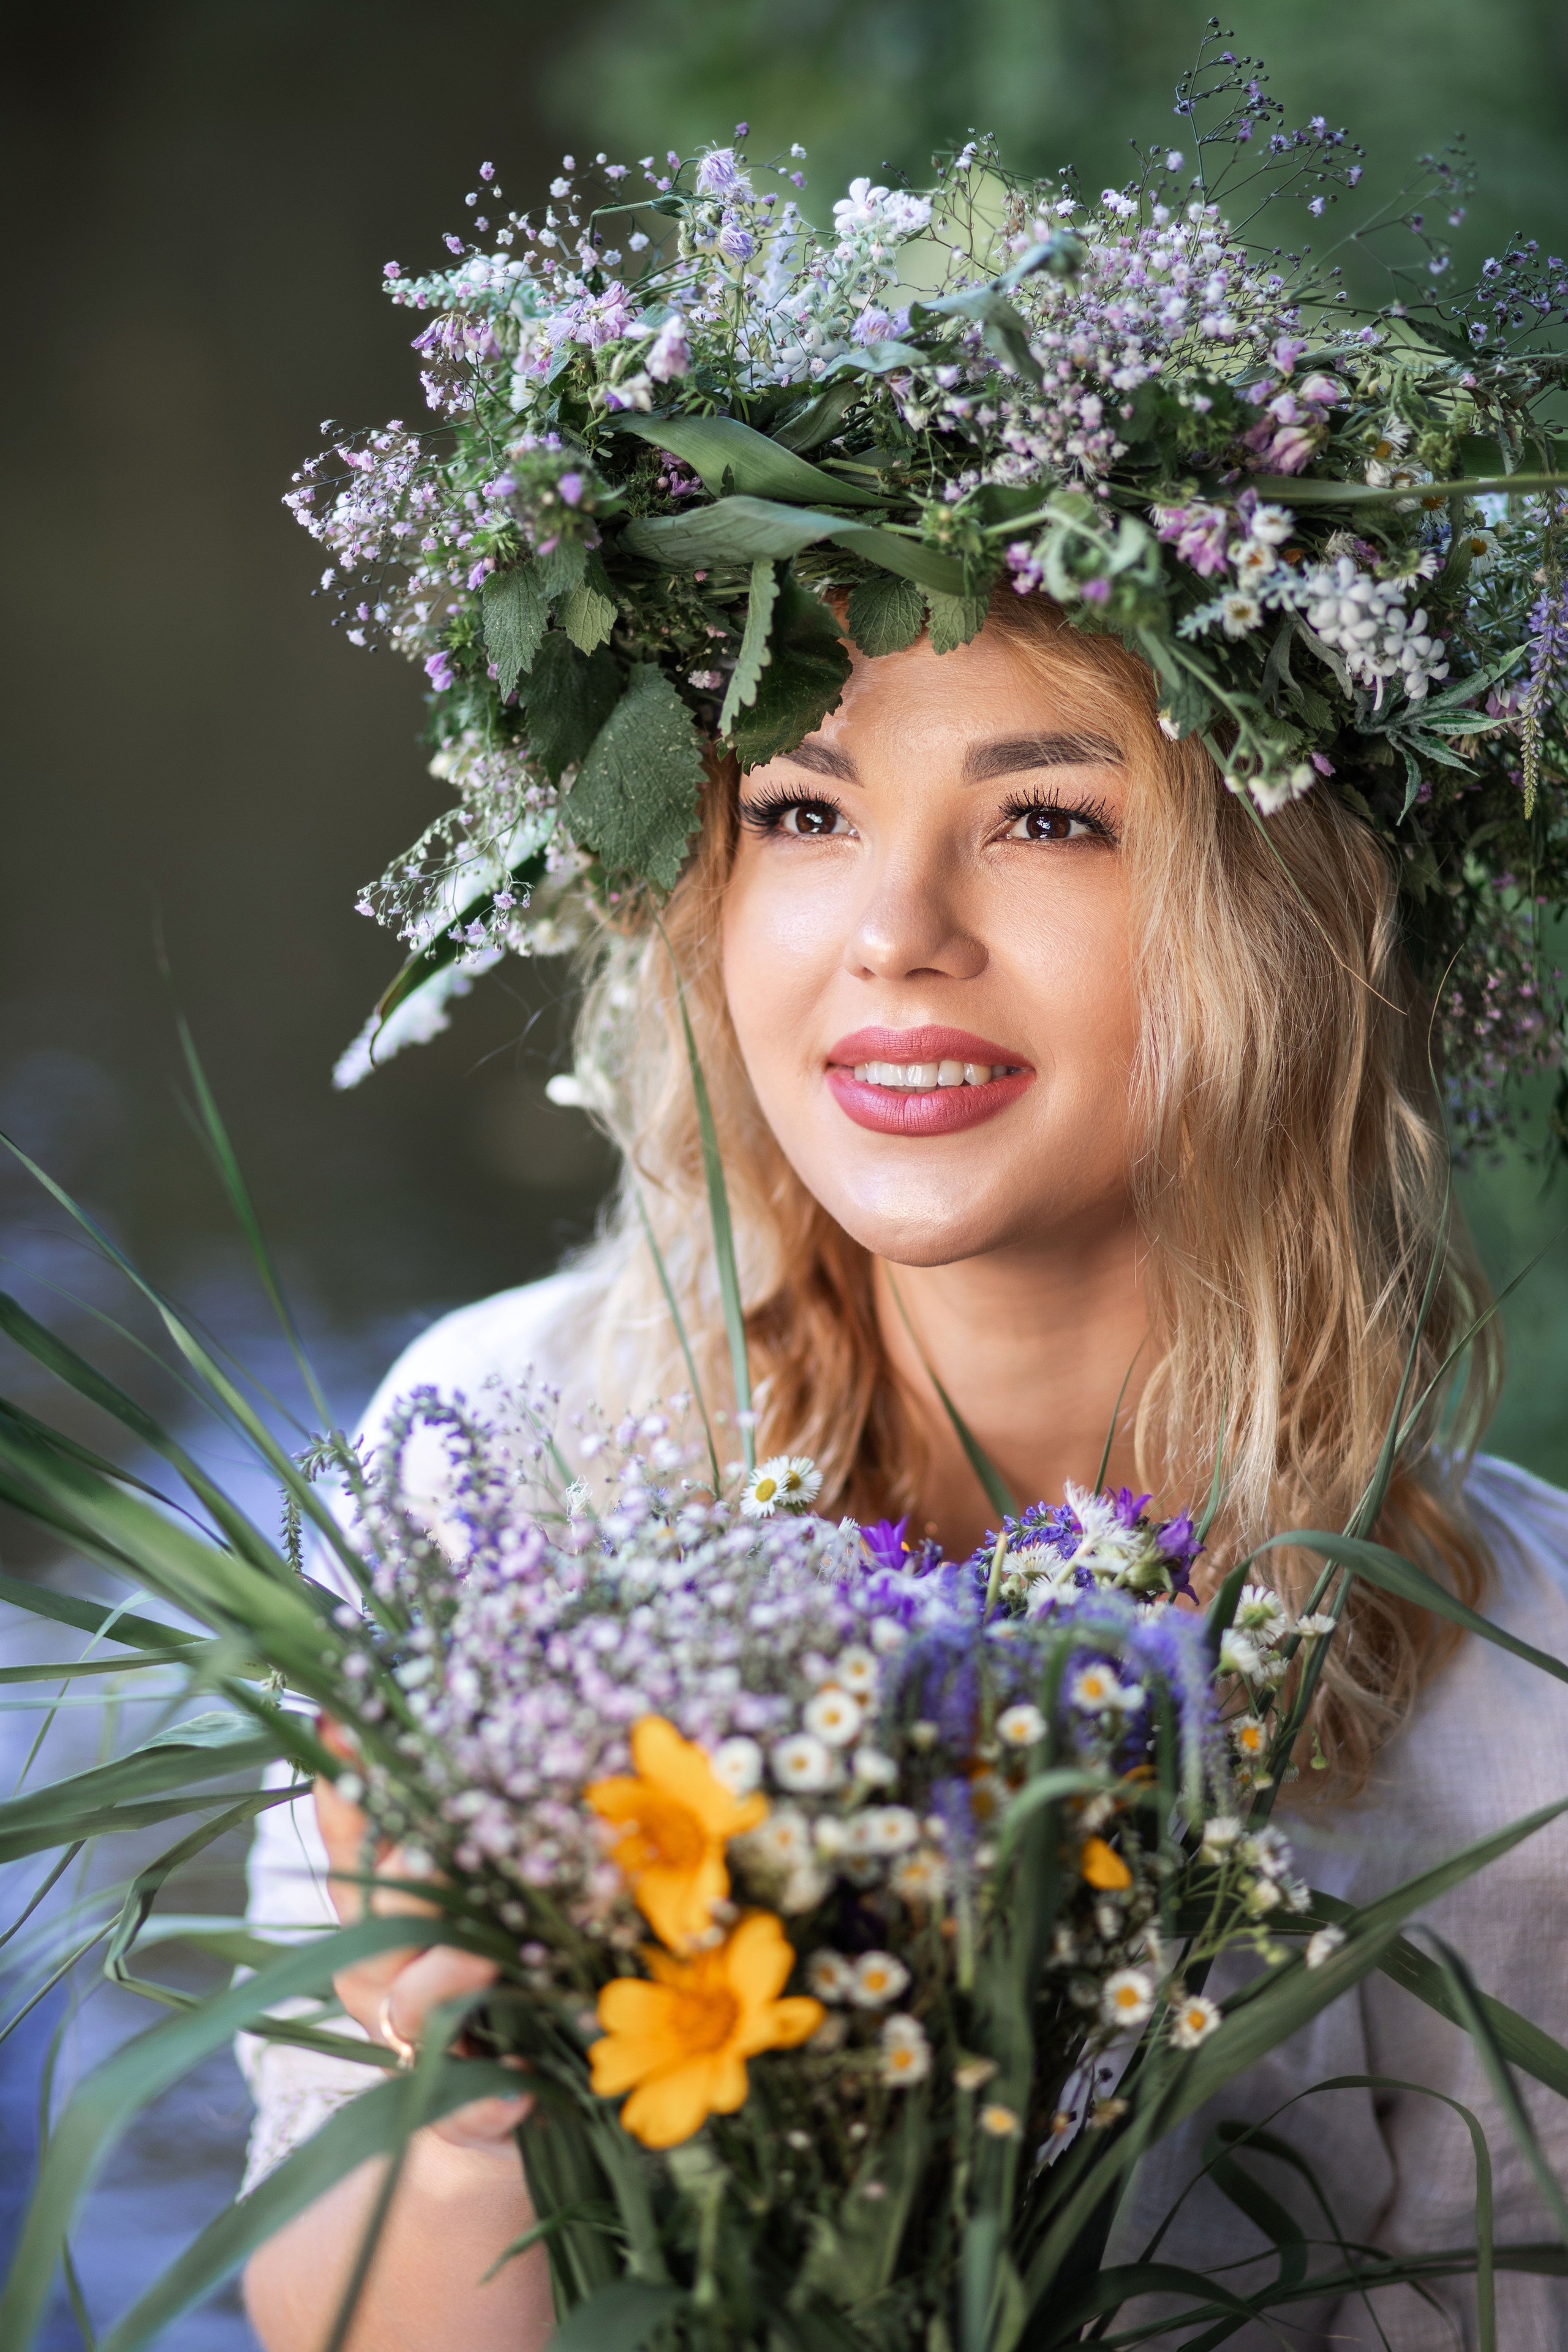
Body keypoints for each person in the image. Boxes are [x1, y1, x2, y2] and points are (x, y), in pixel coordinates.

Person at [241, 598, 1568, 2351]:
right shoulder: (485, 1466)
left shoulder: (1520, 1710)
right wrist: (469, 2104)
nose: (894, 931)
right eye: (804, 812)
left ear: (1284, 919)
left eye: (1049, 819)